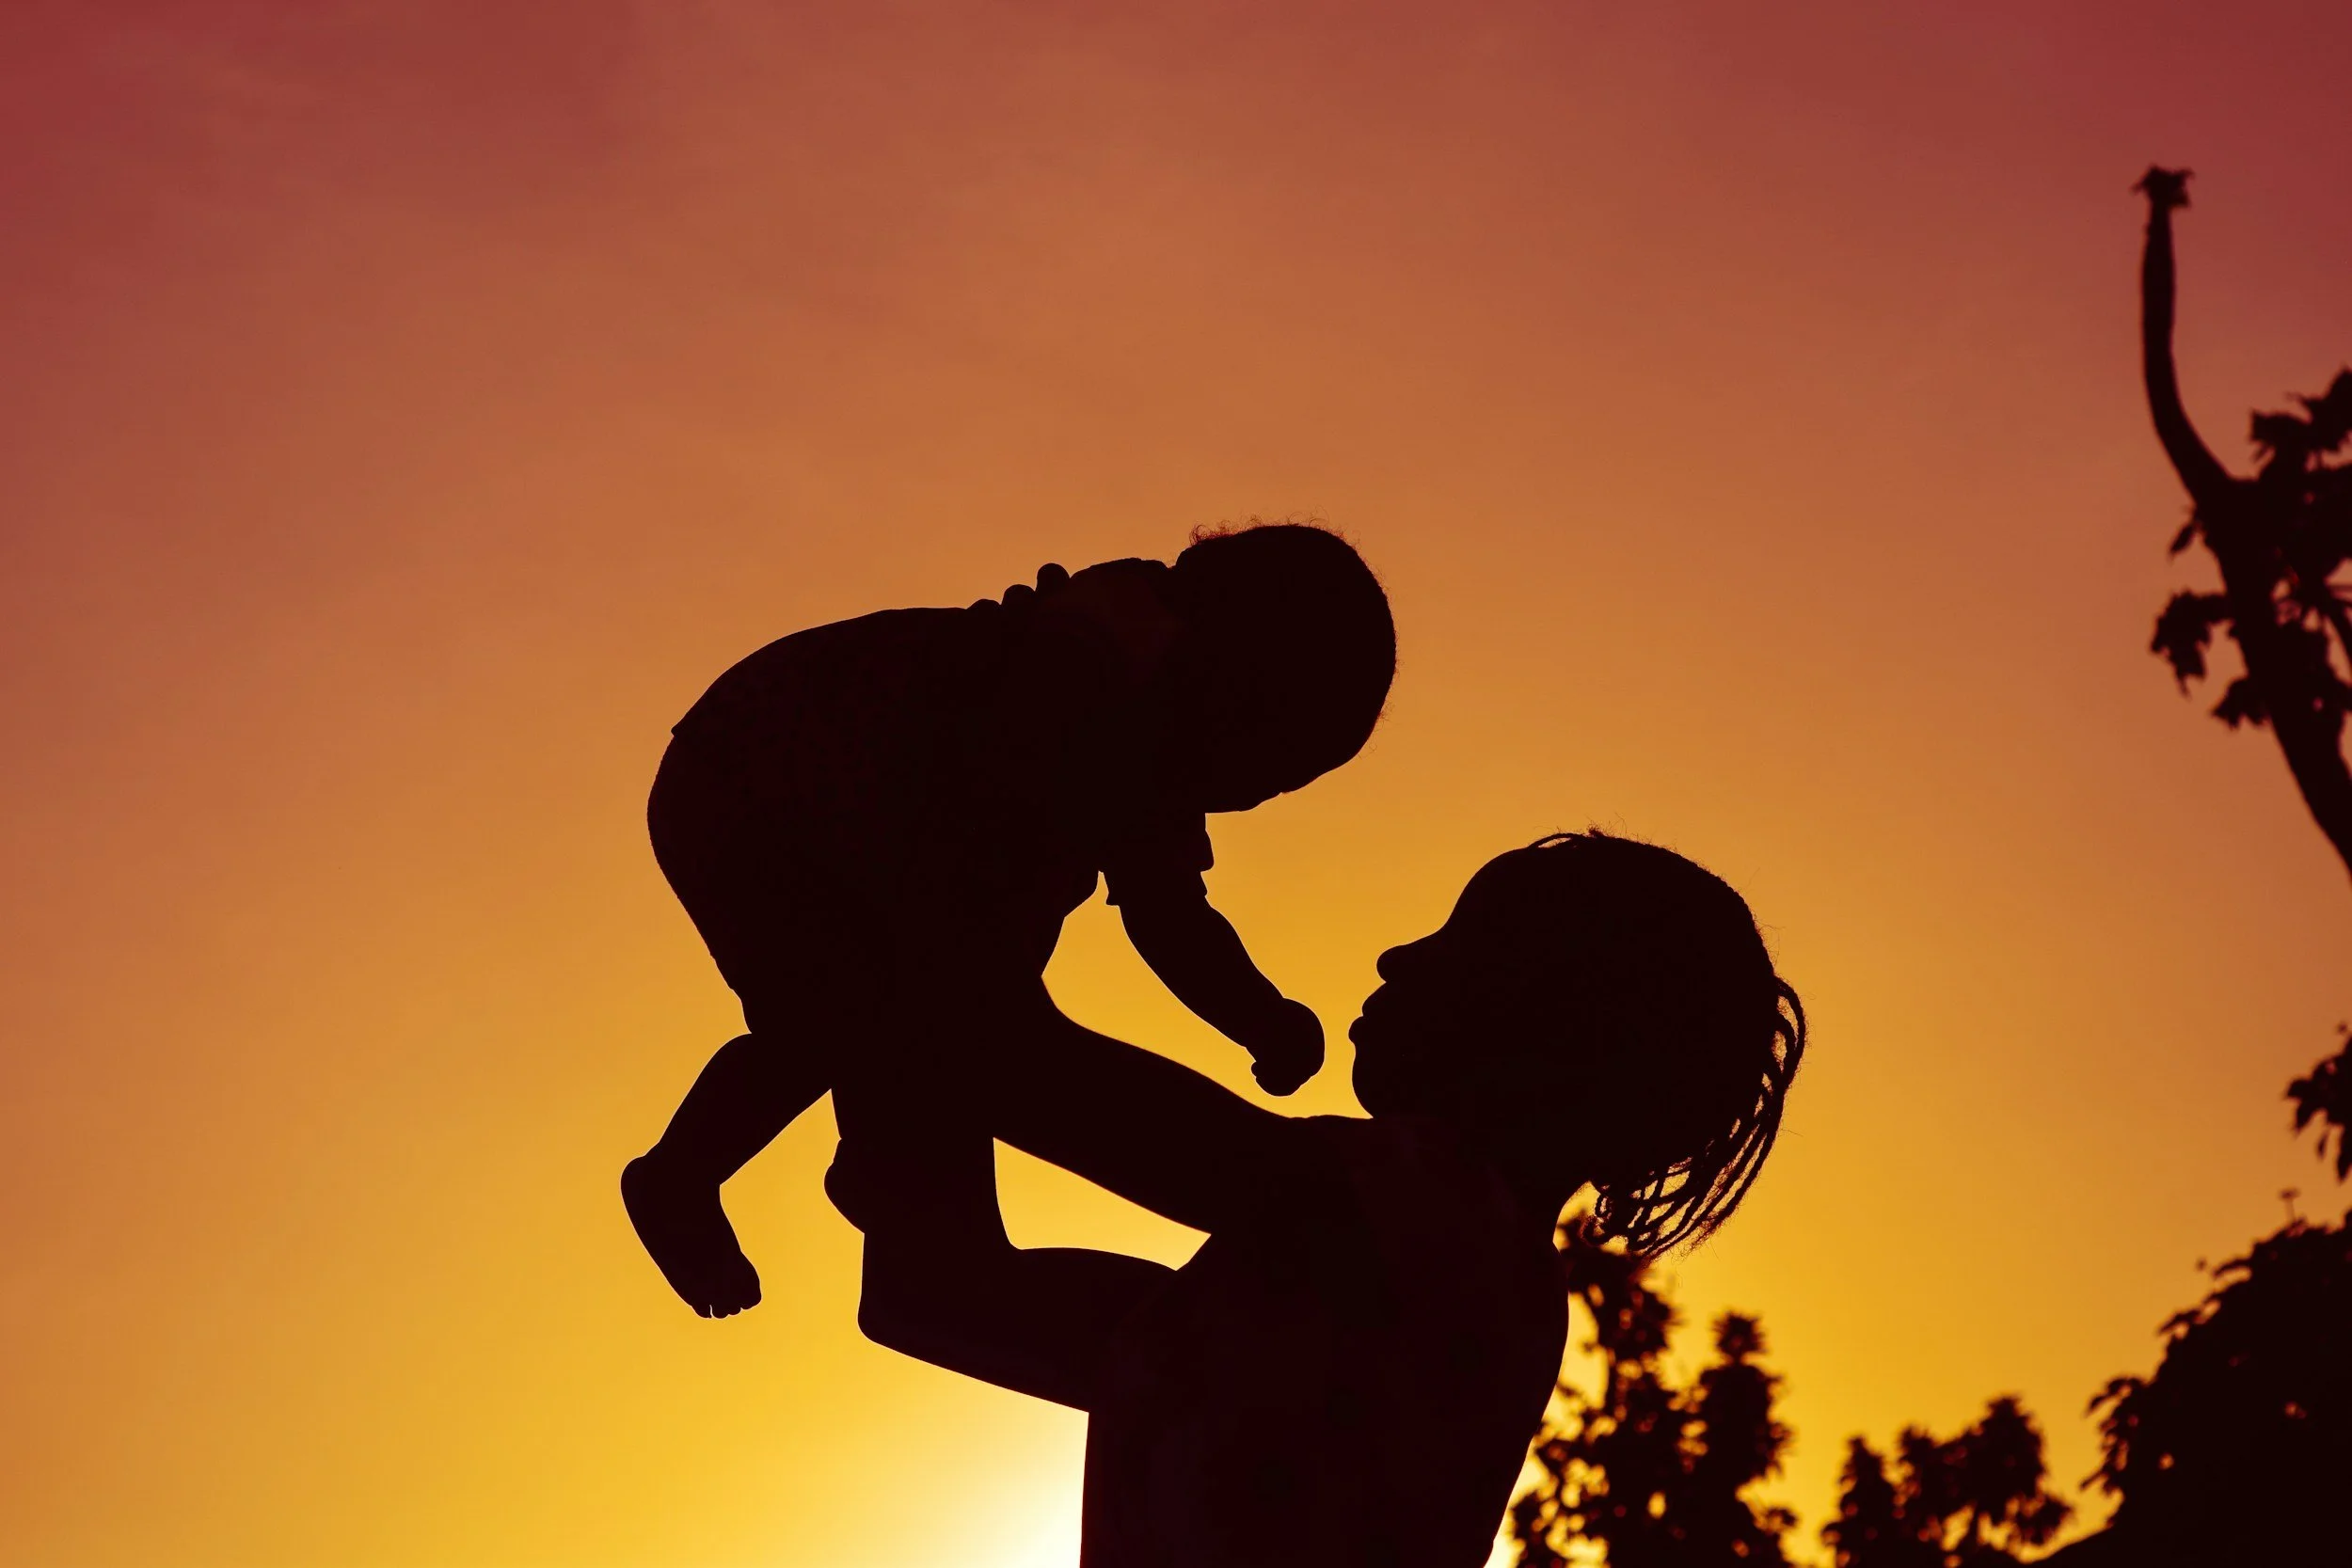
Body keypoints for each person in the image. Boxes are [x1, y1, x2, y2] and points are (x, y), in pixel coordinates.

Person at [846, 832, 1805, 1568]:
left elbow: (1038, 1081)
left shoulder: (1446, 1228)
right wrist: (896, 1068)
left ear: (1550, 1034)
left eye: (1462, 943)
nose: (1398, 953)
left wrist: (929, 898)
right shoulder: (1306, 1308)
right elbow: (935, 1292)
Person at [624, 522, 1397, 1317]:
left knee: (889, 1000)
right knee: (855, 1007)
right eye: (1274, 762)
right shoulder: (1093, 672)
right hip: (759, 789)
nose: (1253, 793)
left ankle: (878, 1142)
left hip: (837, 822)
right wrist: (1260, 1020)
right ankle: (694, 1170)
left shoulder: (1140, 700)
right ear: (1241, 673)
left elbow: (1159, 915)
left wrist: (1256, 1014)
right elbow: (1136, 917)